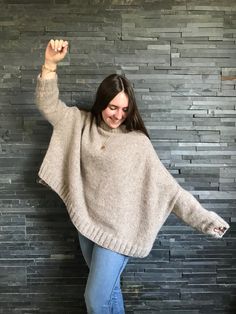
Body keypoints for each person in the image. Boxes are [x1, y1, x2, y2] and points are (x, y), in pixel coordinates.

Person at [35, 39, 230, 314]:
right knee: (110, 293)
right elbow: (48, 106)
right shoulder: (80, 123)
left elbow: (171, 191)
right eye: (112, 107)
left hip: (119, 232)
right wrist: (50, 65)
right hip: (87, 224)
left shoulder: (137, 142)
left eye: (124, 109)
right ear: (101, 102)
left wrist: (208, 222)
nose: (118, 115)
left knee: (95, 299)